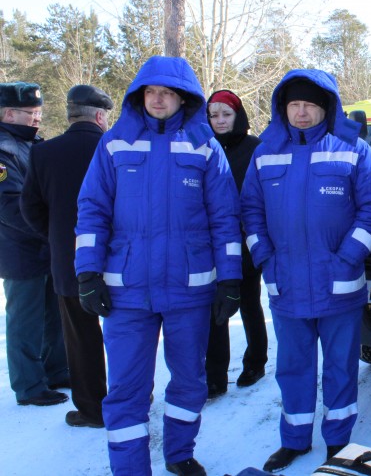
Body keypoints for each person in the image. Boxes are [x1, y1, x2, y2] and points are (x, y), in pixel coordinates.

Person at [74, 56, 243, 476]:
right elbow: (92, 209)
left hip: (189, 288)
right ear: (139, 96)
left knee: (189, 381)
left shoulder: (205, 145)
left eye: (166, 92)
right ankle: (130, 470)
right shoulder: (114, 143)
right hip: (126, 290)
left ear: (183, 98)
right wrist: (88, 271)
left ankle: (180, 454)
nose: (158, 99)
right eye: (150, 92)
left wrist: (231, 279)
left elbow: (225, 218)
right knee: (127, 389)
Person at [241, 69, 371, 472]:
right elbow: (250, 211)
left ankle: (338, 441)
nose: (301, 112)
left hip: (338, 284)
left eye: (309, 104)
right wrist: (265, 259)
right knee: (292, 367)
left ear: (325, 107)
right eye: (294, 105)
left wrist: (347, 258)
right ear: (282, 109)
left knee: (340, 366)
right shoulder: (265, 152)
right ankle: (294, 440)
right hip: (285, 284)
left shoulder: (352, 149)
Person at [20, 84, 113, 427]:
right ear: (100, 116)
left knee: (80, 336)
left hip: (69, 259)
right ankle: (132, 394)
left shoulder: (44, 153)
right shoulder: (114, 147)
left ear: (71, 115)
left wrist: (57, 236)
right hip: (120, 256)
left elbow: (29, 207)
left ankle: (92, 409)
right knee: (127, 331)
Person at [0, 81, 70, 407]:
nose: (37, 118)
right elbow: (11, 206)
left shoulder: (31, 144)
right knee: (25, 321)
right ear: (8, 113)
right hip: (20, 251)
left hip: (45, 246)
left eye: (39, 112)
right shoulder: (3, 151)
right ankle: (29, 386)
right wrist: (50, 229)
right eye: (30, 113)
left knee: (54, 315)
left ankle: (57, 371)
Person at [205, 89, 268, 398]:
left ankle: (255, 361)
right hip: (211, 240)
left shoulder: (255, 147)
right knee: (214, 307)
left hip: (245, 239)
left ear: (237, 116)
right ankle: (215, 375)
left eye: (226, 114)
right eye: (213, 115)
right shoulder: (203, 147)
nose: (219, 121)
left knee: (247, 302)